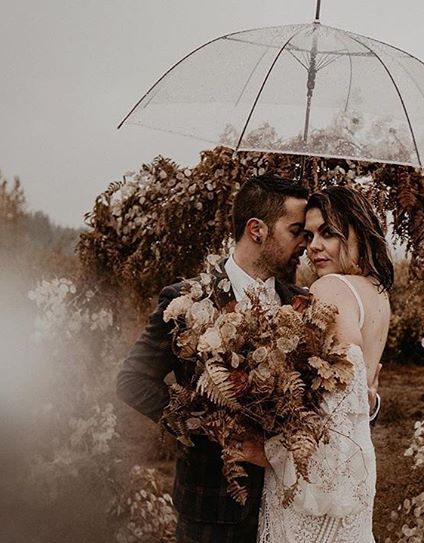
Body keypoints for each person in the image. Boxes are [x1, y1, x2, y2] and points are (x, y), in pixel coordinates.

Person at [116, 174, 310, 543]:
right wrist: (207, 427)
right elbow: (132, 380)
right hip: (213, 506)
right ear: (257, 229)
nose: (304, 242)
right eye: (296, 230)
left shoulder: (302, 304)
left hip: (289, 505)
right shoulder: (186, 300)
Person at [255, 185, 393, 543]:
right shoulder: (377, 294)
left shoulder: (331, 289)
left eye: (328, 233)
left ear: (358, 233)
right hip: (357, 483)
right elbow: (357, 401)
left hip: (316, 496)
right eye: (309, 234)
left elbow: (330, 429)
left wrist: (266, 454)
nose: (313, 246)